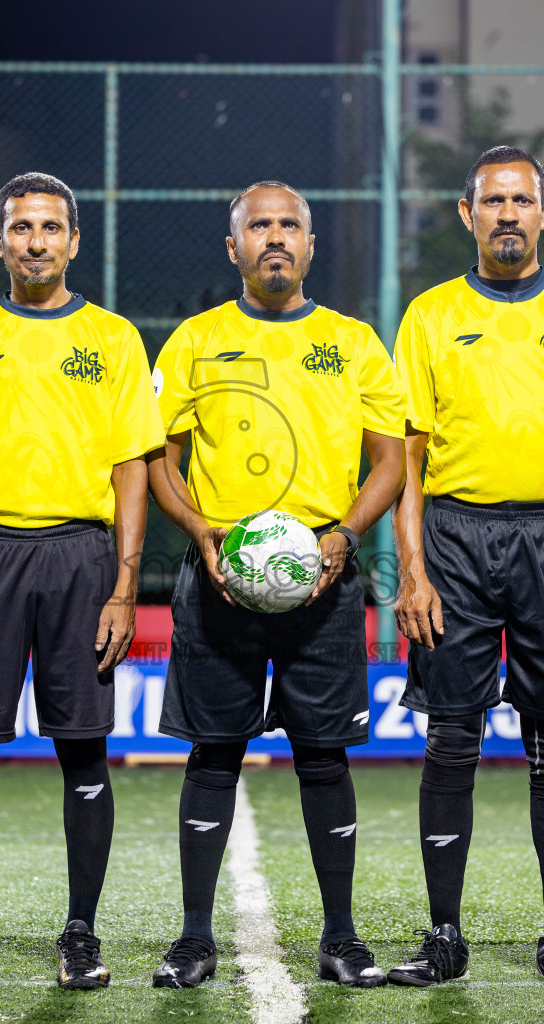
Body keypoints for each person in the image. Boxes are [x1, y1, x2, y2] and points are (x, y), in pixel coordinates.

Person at [0, 172, 163, 993]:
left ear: (74, 240)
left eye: (51, 227)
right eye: (21, 227)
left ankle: (80, 932)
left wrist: (125, 587)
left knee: (85, 751)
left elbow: (133, 471)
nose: (36, 240)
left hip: (81, 560)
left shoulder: (116, 339)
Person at [148, 181, 406, 989]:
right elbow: (158, 459)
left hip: (324, 581)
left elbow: (391, 461)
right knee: (212, 754)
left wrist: (342, 537)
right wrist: (198, 532)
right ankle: (194, 939)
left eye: (289, 225)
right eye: (258, 226)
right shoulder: (194, 339)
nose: (274, 238)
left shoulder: (355, 342)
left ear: (310, 243)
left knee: (324, 757)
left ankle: (341, 936)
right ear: (234, 248)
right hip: (221, 577)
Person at [388, 146, 544, 988]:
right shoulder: (427, 316)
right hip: (455, 540)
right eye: (491, 201)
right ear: (467, 214)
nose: (506, 214)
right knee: (451, 737)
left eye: (521, 201)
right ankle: (443, 935)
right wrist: (412, 572)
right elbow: (407, 461)